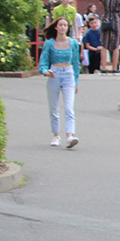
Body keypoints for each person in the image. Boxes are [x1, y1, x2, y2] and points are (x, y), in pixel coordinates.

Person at [38, 17, 82, 149]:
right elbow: (43, 62)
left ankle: (70, 136)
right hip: (55, 73)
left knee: (69, 108)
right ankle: (56, 135)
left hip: (68, 73)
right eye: (61, 25)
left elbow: (75, 63)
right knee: (54, 108)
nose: (63, 27)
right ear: (56, 27)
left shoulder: (73, 43)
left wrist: (76, 81)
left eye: (65, 25)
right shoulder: (49, 43)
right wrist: (45, 71)